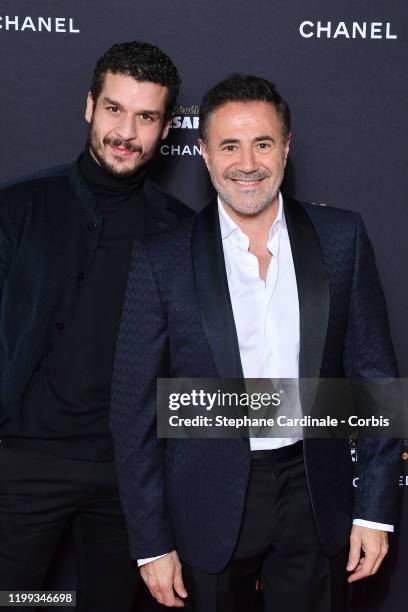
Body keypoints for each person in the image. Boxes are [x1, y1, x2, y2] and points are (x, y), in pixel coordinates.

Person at [111, 74, 401, 612]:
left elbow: (375, 382)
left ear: (286, 147)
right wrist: (150, 541)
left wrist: (374, 510)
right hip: (206, 500)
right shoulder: (162, 259)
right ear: (203, 153)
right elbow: (133, 414)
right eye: (229, 146)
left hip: (317, 493)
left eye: (263, 143)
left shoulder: (342, 239)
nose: (248, 163)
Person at [0, 41, 192, 611]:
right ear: (89, 106)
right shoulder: (18, 209)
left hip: (126, 479)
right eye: (114, 109)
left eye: (146, 117)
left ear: (165, 129)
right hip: (23, 467)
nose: (126, 131)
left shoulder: (181, 232)